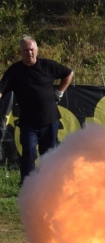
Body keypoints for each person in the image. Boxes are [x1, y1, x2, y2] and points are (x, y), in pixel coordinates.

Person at [0, 36, 74, 185]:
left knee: (49, 155)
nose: (29, 53)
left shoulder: (48, 65)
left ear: (37, 50)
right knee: (28, 153)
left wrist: (59, 92)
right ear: (20, 52)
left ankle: (49, 184)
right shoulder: (14, 71)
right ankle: (28, 185)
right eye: (26, 50)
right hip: (28, 123)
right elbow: (1, 89)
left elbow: (68, 73)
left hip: (50, 121)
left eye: (32, 49)